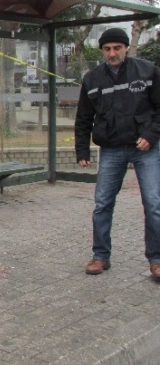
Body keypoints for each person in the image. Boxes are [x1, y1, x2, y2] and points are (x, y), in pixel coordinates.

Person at [75, 28, 160, 277]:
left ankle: (156, 259)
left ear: (125, 48)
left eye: (117, 48)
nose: (112, 53)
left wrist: (151, 136)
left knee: (154, 204)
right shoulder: (92, 79)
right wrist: (82, 149)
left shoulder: (148, 72)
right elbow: (83, 118)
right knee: (102, 203)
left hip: (146, 148)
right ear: (102, 50)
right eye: (107, 48)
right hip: (111, 149)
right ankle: (101, 256)